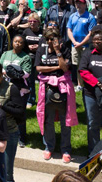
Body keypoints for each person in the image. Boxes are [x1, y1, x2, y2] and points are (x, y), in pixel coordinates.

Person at [36, 27, 77, 163]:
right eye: (48, 39)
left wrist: (58, 52)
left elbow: (65, 68)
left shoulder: (64, 49)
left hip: (63, 87)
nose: (50, 42)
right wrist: (56, 67)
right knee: (47, 120)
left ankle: (65, 149)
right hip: (46, 87)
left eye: (53, 39)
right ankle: (49, 147)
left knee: (66, 121)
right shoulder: (42, 50)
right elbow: (38, 68)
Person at [0, 58, 24, 182]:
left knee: (7, 173)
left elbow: (20, 112)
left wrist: (2, 107)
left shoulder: (11, 88)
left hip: (9, 132)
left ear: (2, 74)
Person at [66, 0, 97, 91]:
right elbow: (69, 30)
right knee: (78, 65)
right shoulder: (72, 16)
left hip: (86, 45)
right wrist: (74, 42)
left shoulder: (90, 17)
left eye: (80, 3)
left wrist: (81, 43)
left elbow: (90, 33)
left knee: (86, 65)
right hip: (74, 45)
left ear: (85, 5)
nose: (78, 5)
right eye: (76, 3)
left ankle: (88, 84)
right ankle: (80, 85)